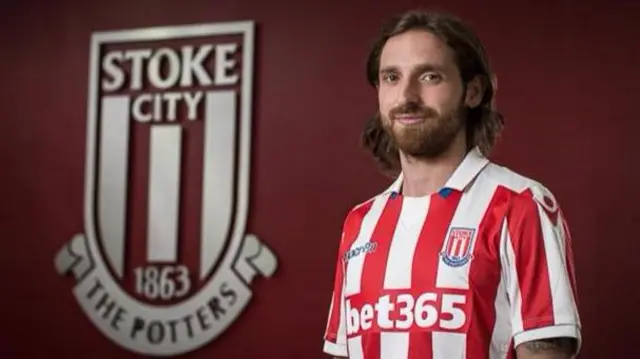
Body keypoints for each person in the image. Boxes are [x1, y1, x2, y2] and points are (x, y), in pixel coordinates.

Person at [321, 8, 581, 359]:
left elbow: (544, 352)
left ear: (472, 92)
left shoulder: (520, 205)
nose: (406, 96)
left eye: (429, 76)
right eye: (391, 77)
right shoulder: (360, 223)